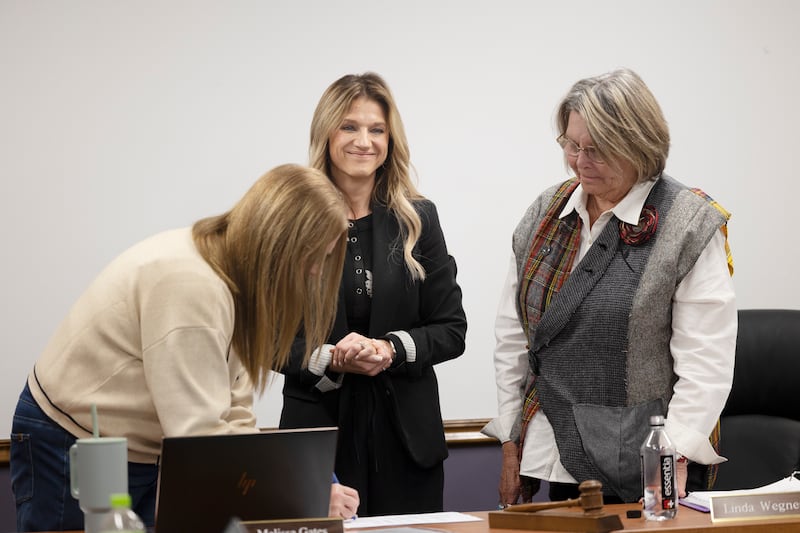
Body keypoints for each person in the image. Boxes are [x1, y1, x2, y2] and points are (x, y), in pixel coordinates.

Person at [10, 164, 360, 532]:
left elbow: (234, 414)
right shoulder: (192, 287)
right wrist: (297, 494)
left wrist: (297, 486)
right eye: (315, 257)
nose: (317, 273)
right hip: (71, 441)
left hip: (139, 449)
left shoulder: (233, 277)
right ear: (279, 244)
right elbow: (201, 441)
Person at [482, 68, 737, 506]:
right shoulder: (547, 213)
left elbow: (705, 366)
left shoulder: (688, 224)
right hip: (552, 453)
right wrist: (510, 440)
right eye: (571, 145)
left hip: (646, 463)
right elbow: (514, 338)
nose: (580, 162)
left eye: (596, 150)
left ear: (639, 145)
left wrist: (665, 466)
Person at [278, 72, 467, 516]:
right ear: (325, 132)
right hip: (319, 438)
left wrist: (389, 349)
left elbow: (451, 329)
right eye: (349, 126)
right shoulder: (289, 217)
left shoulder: (420, 217)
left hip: (407, 443)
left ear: (390, 139)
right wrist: (328, 357)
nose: (364, 141)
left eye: (376, 129)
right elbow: (266, 337)